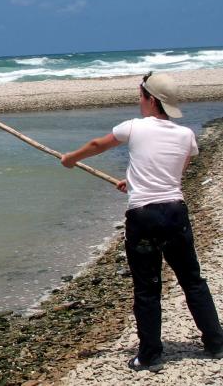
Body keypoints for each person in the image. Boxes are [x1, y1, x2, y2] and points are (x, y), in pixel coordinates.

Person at [60, 71, 223, 372]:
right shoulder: (186, 135)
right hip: (175, 212)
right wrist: (132, 181)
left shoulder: (134, 127)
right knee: (192, 281)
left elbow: (98, 144)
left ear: (150, 99)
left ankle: (149, 354)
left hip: (144, 217)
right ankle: (215, 343)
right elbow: (173, 174)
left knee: (147, 287)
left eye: (140, 96)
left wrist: (72, 158)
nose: (139, 101)